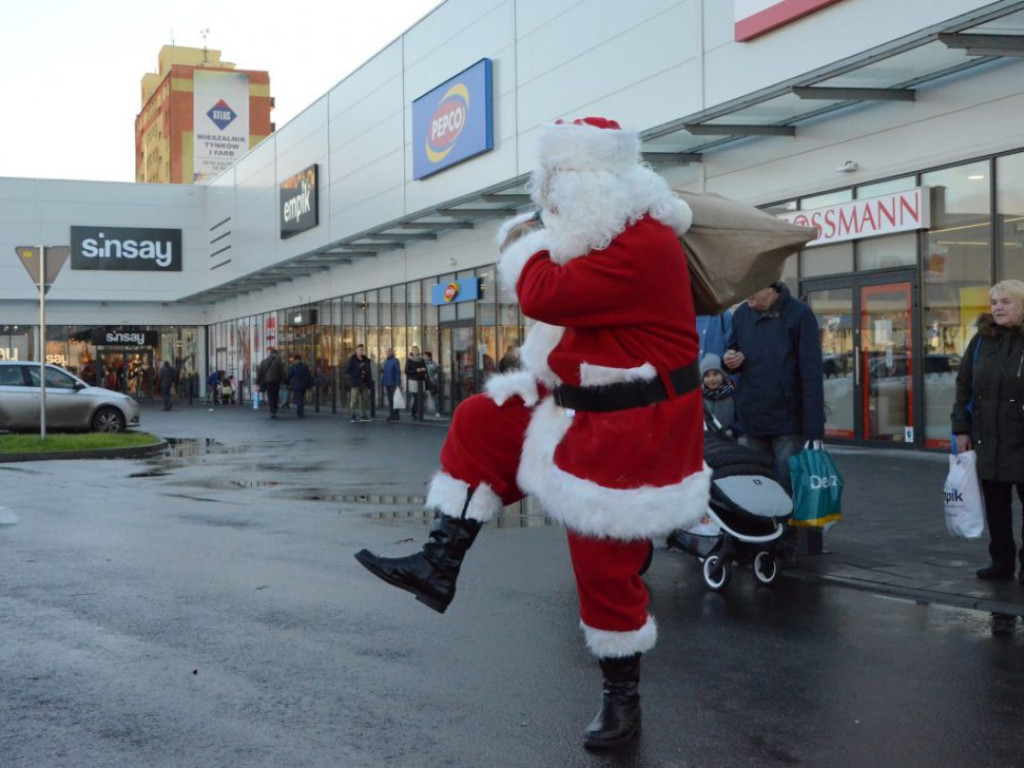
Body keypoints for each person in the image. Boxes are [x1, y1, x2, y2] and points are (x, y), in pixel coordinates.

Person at [355, 117, 709, 749]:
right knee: (480, 421)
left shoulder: (642, 244)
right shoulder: (609, 235)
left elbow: (544, 292)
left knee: (601, 563)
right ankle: (440, 563)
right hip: (580, 401)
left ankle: (622, 698)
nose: (549, 205)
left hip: (636, 423)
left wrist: (525, 246)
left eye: (558, 190)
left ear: (598, 187)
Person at [951, 279, 1024, 582]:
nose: (997, 307)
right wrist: (961, 430)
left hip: (1021, 437)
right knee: (996, 506)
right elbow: (964, 386)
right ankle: (1001, 562)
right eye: (994, 302)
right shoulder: (982, 340)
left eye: (1005, 302)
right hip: (989, 439)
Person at [723, 282, 824, 495]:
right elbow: (732, 348)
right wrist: (730, 359)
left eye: (751, 293)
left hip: (787, 417)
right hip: (753, 415)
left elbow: (811, 372)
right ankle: (766, 526)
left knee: (785, 480)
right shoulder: (742, 314)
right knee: (759, 481)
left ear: (769, 288)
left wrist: (814, 426)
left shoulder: (799, 314)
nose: (746, 300)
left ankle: (787, 526)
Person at [700, 353, 738, 438]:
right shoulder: (700, 398)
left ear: (723, 375)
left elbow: (741, 419)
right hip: (707, 443)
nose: (712, 379)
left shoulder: (732, 394)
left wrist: (733, 430)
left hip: (730, 441)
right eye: (707, 375)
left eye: (716, 374)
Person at [256, 347, 287, 419]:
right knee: (275, 395)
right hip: (276, 381)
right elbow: (282, 372)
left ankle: (272, 411)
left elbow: (260, 372)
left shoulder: (264, 361)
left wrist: (258, 381)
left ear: (270, 354)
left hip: (268, 381)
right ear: (276, 354)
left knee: (270, 396)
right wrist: (285, 380)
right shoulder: (278, 362)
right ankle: (274, 411)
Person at [346, 345, 373, 422]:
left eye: (362, 350)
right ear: (356, 351)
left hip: (364, 383)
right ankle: (352, 415)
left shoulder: (365, 360)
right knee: (354, 400)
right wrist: (355, 376)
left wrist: (369, 382)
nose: (361, 351)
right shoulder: (353, 360)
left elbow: (368, 371)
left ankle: (363, 415)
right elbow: (348, 370)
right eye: (359, 350)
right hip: (355, 383)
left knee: (364, 399)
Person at [405, 345, 428, 422]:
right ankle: (413, 413)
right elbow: (407, 371)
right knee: (416, 398)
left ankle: (419, 413)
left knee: (421, 398)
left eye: (417, 350)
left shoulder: (421, 360)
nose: (416, 352)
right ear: (412, 352)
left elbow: (425, 369)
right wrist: (416, 370)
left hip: (421, 381)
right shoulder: (409, 360)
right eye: (414, 350)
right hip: (413, 380)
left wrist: (423, 369)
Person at [381, 347, 402, 421]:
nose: (387, 353)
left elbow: (397, 372)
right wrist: (384, 384)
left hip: (393, 383)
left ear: (392, 353)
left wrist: (398, 383)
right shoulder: (386, 361)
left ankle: (396, 415)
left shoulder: (395, 361)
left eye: (389, 352)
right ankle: (392, 415)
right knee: (390, 400)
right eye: (387, 352)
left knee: (395, 400)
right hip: (388, 383)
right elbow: (384, 374)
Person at [423, 351, 441, 418]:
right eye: (423, 356)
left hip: (431, 382)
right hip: (423, 382)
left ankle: (437, 411)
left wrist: (434, 379)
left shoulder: (433, 364)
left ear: (429, 357)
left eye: (425, 356)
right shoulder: (422, 364)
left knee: (434, 397)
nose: (424, 357)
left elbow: (436, 371)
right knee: (422, 397)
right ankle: (422, 411)